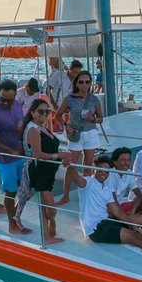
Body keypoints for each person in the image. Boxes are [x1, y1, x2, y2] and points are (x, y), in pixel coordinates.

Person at [70, 154, 142, 266]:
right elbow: (75, 177)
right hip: (96, 229)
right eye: (100, 171)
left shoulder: (106, 187)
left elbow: (116, 211)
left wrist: (131, 224)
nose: (104, 174)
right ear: (93, 170)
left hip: (106, 220)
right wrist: (69, 164)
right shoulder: (88, 183)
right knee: (135, 237)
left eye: (106, 172)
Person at [0, 79, 32, 236]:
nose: (6, 103)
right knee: (10, 192)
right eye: (3, 99)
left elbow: (21, 126)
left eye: (9, 100)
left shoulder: (17, 105)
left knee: (24, 189)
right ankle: (12, 224)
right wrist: (10, 150)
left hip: (20, 154)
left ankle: (16, 217)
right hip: (5, 158)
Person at [56, 70, 102, 205]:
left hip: (91, 134)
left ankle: (86, 192)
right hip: (75, 134)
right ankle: (65, 195)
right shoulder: (69, 98)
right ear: (76, 83)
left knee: (88, 165)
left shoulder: (94, 99)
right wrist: (66, 125)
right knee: (71, 165)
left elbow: (101, 118)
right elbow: (57, 116)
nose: (84, 85)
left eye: (87, 82)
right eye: (81, 82)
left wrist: (93, 119)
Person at [22, 98, 64, 245]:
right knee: (50, 208)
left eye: (47, 111)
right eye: (41, 111)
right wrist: (59, 156)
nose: (45, 114)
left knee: (46, 205)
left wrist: (61, 155)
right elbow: (38, 154)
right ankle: (49, 231)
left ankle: (48, 233)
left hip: (48, 171)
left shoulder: (42, 127)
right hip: (39, 171)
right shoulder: (33, 129)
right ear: (33, 112)